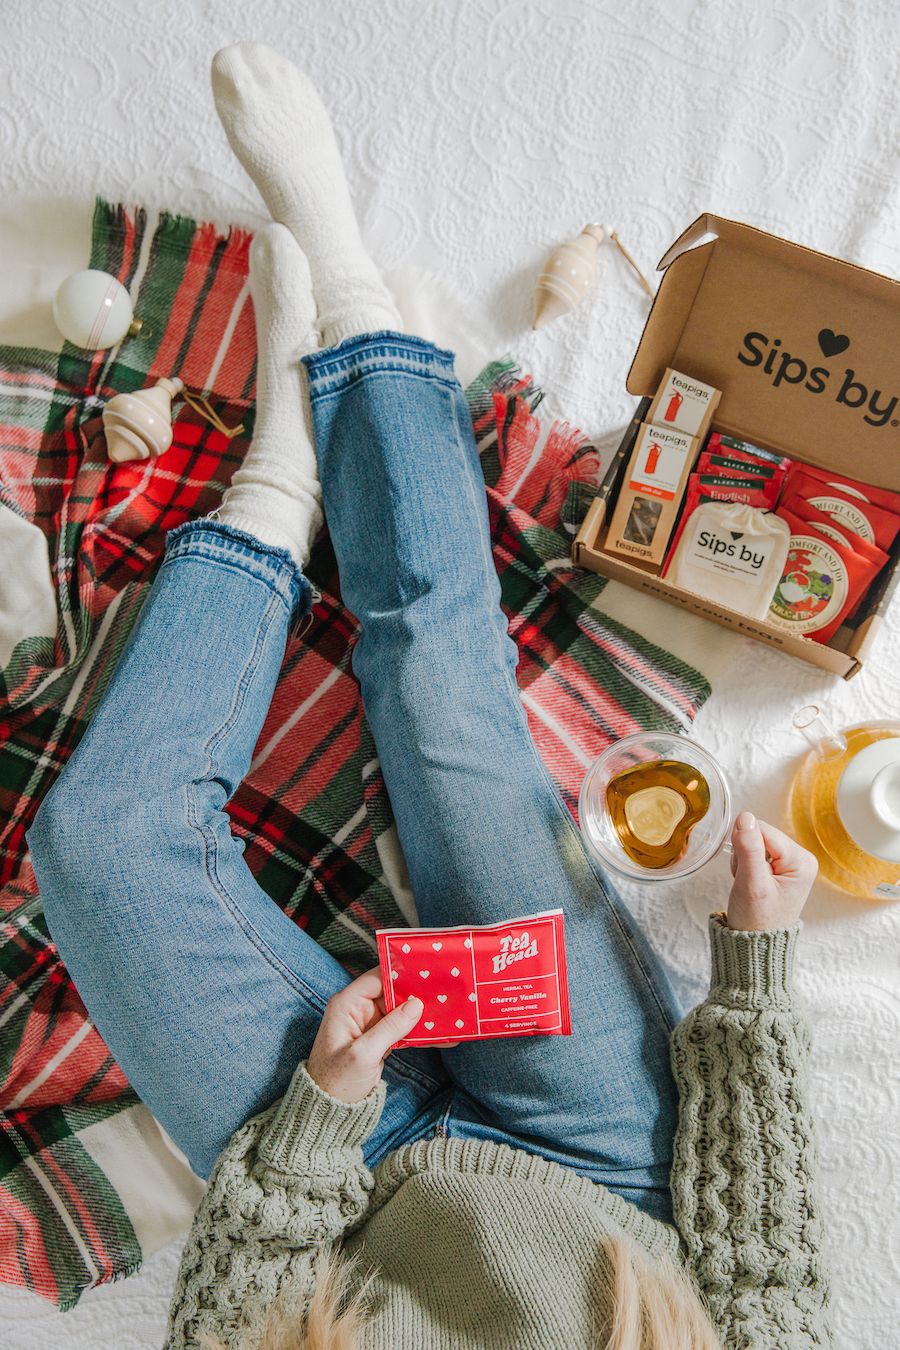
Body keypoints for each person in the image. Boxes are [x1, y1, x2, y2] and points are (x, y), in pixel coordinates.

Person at [27, 43, 832, 1350]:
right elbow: (763, 1257)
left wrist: (326, 1109)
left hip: (335, 1212)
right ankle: (350, 295)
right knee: (448, 726)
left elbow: (228, 1313)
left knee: (97, 851)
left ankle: (273, 494)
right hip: (600, 1156)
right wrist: (750, 968)